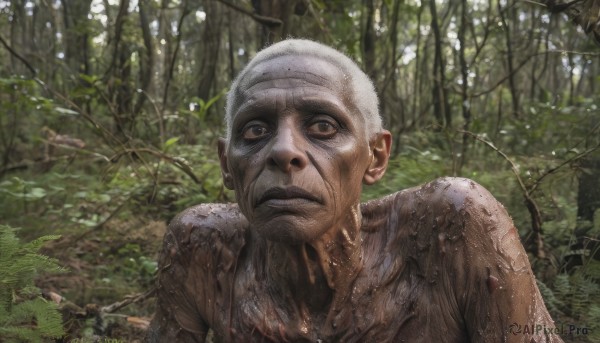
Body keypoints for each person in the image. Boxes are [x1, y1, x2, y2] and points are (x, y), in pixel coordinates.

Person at [146, 39, 562, 342]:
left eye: (323, 126)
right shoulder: (202, 247)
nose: (284, 151)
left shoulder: (454, 226)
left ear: (376, 156)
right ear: (227, 166)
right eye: (255, 130)